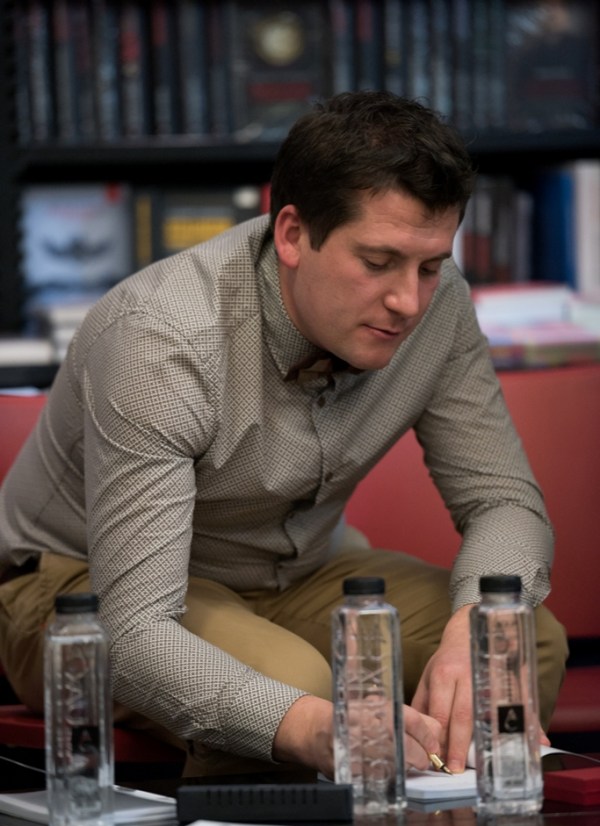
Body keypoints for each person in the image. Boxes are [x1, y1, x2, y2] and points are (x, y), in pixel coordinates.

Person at [0, 91, 567, 779]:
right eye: (378, 261)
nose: (408, 301)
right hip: (84, 590)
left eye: (429, 265)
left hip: (294, 575)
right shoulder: (162, 341)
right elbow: (137, 628)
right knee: (294, 692)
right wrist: (307, 726)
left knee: (517, 640)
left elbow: (504, 501)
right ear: (293, 234)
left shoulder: (439, 305)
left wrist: (479, 621)